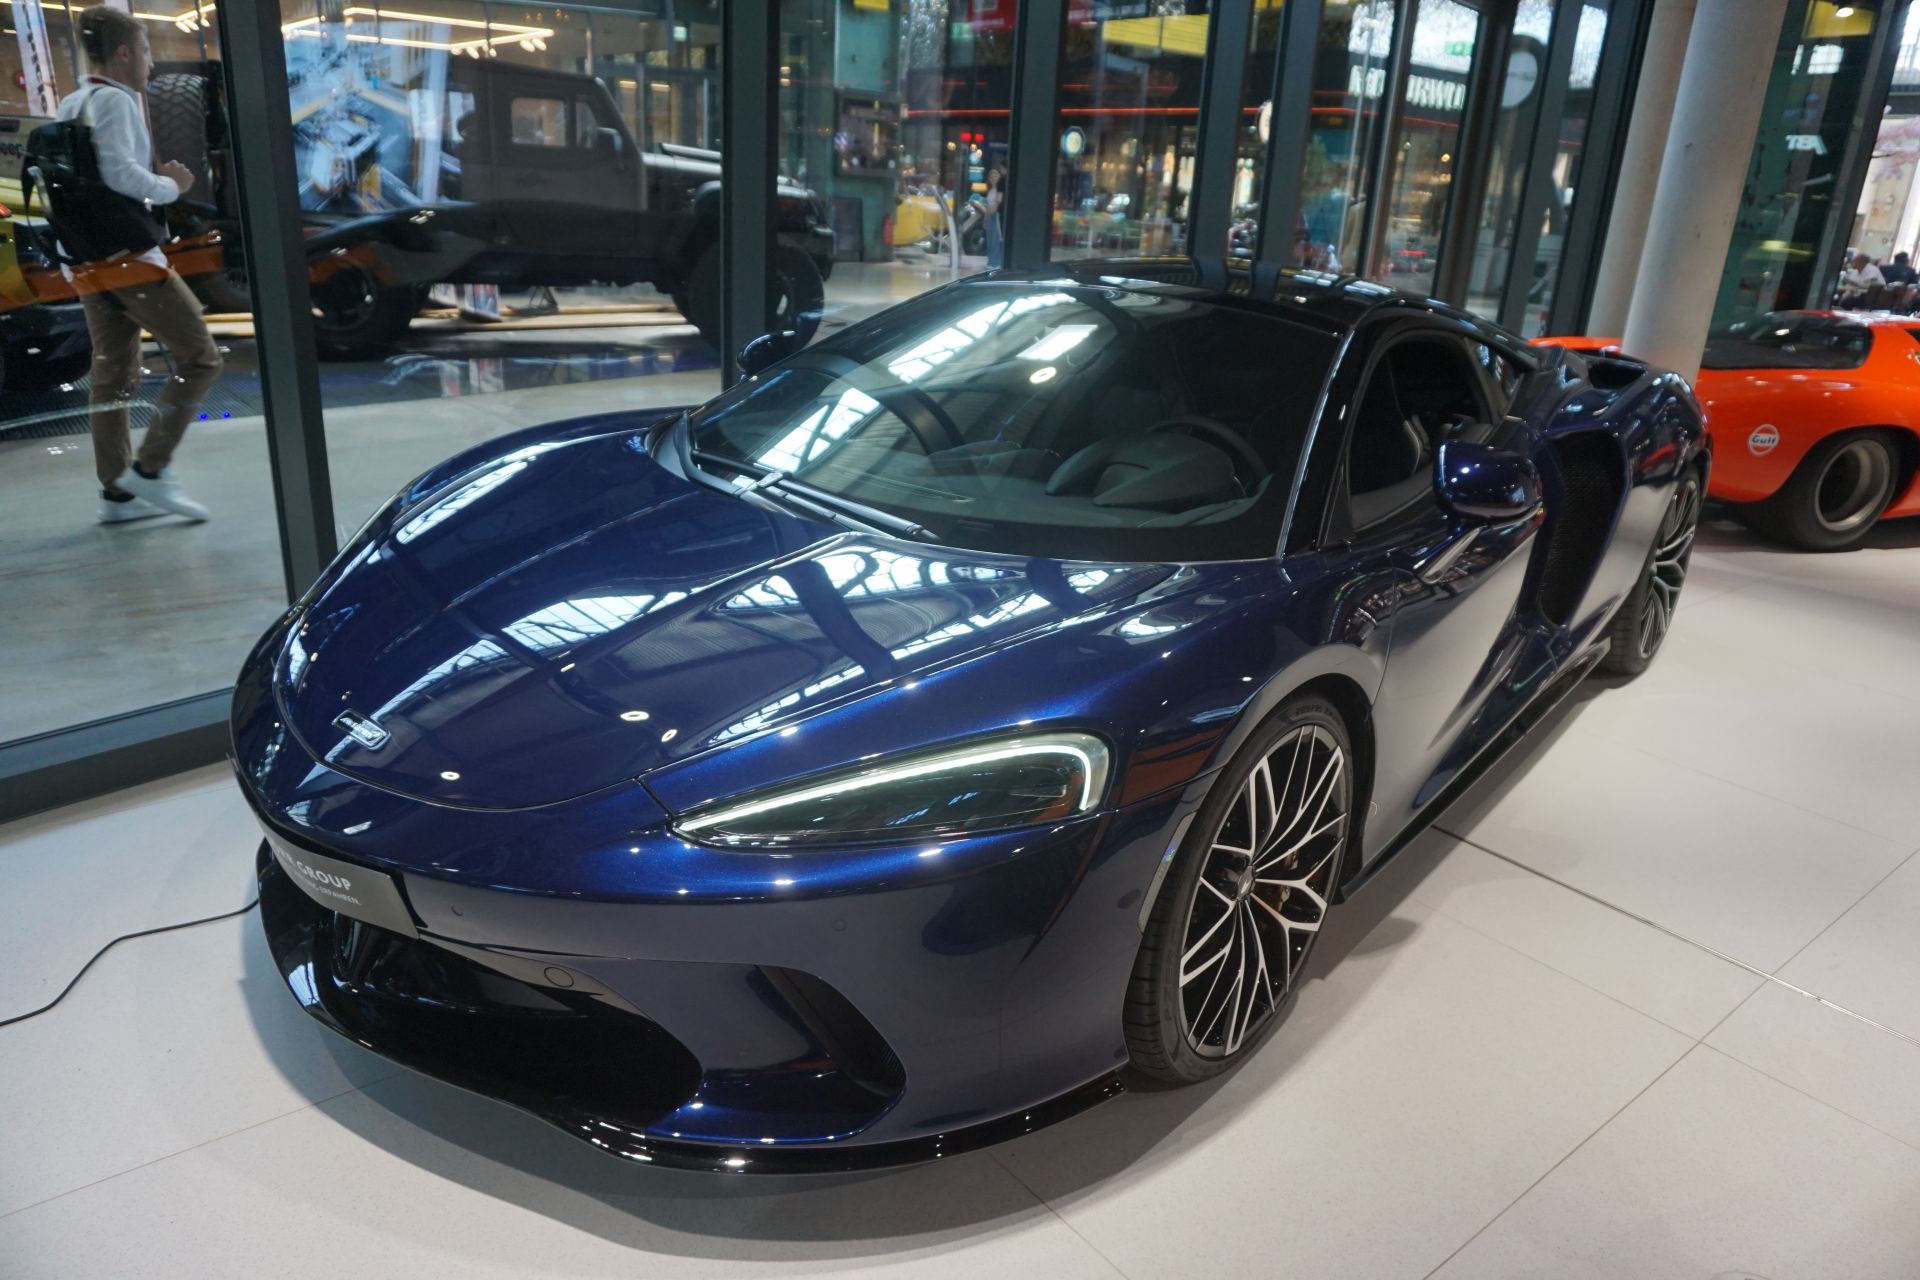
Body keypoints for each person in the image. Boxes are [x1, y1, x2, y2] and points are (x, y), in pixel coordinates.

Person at [60, 4, 220, 524]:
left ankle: (117, 495)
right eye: (147, 50)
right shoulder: (116, 100)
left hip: (89, 264)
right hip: (131, 261)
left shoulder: (72, 102)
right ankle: (151, 471)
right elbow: (121, 176)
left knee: (111, 377)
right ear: (125, 52)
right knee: (200, 358)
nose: (151, 62)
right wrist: (173, 185)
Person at [983, 167, 1005, 269]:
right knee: (990, 239)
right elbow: (987, 206)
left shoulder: (999, 190)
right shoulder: (990, 190)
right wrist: (985, 219)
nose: (994, 178)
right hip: (990, 216)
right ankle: (991, 260)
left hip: (996, 216)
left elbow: (997, 202)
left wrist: (993, 211)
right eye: (992, 176)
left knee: (996, 239)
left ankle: (996, 262)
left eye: (996, 176)